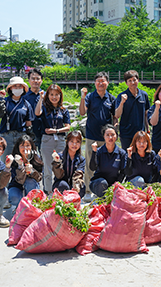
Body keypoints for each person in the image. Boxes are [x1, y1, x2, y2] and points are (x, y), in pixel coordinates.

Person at [79, 72, 117, 202]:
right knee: (90, 164)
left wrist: (115, 127)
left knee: (106, 165)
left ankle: (104, 191)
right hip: (91, 136)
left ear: (107, 83)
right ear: (95, 83)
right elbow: (82, 112)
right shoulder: (90, 97)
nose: (101, 83)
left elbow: (115, 116)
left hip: (107, 138)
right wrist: (82, 97)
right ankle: (88, 191)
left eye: (103, 81)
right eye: (98, 81)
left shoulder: (111, 98)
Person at [35, 84, 71, 193]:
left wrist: (56, 131)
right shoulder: (44, 108)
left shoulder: (64, 110)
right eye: (51, 94)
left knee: (60, 165)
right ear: (48, 95)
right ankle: (48, 192)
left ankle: (60, 190)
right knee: (47, 167)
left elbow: (68, 127)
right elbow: (37, 113)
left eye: (56, 94)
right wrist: (41, 98)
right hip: (47, 140)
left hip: (60, 140)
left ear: (60, 95)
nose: (54, 97)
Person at [0, 76, 35, 159]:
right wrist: (1, 99)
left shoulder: (26, 104)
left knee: (21, 160)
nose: (18, 88)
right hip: (6, 135)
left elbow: (29, 122)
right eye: (15, 86)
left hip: (21, 135)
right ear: (10, 88)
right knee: (6, 160)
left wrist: (30, 137)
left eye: (20, 86)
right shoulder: (5, 101)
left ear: (23, 88)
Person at [115, 70, 150, 149]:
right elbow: (117, 115)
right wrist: (122, 103)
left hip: (140, 133)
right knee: (127, 158)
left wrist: (148, 130)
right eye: (130, 81)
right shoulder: (121, 96)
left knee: (140, 157)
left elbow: (146, 114)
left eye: (134, 80)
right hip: (126, 134)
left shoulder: (144, 95)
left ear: (138, 80)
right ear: (126, 83)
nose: (133, 82)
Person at [89, 125, 127, 197]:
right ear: (104, 137)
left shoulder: (121, 153)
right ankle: (101, 199)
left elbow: (123, 172)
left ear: (116, 136)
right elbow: (92, 168)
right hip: (98, 183)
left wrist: (116, 184)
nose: (110, 137)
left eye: (112, 135)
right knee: (102, 183)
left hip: (113, 184)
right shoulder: (99, 151)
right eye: (107, 135)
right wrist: (94, 152)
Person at [7, 135, 43, 209]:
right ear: (18, 147)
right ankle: (20, 207)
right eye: (22, 146)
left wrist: (32, 171)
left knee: (30, 181)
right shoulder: (13, 159)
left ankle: (31, 206)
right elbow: (18, 180)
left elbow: (39, 178)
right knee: (14, 198)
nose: (25, 148)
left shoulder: (36, 158)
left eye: (27, 145)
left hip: (32, 186)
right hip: (17, 186)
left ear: (32, 147)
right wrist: (20, 166)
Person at [52, 131, 86, 197]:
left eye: (77, 142)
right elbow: (59, 176)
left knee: (82, 187)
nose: (74, 144)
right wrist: (57, 162)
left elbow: (78, 174)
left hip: (73, 184)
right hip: (61, 184)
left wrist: (76, 185)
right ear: (67, 142)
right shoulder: (59, 156)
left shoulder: (82, 159)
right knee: (63, 185)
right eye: (72, 141)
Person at [23, 68, 45, 148]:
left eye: (38, 79)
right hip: (27, 131)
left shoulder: (47, 96)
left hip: (44, 131)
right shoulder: (24, 96)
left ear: (41, 80)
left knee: (44, 158)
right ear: (28, 80)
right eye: (33, 78)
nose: (35, 81)